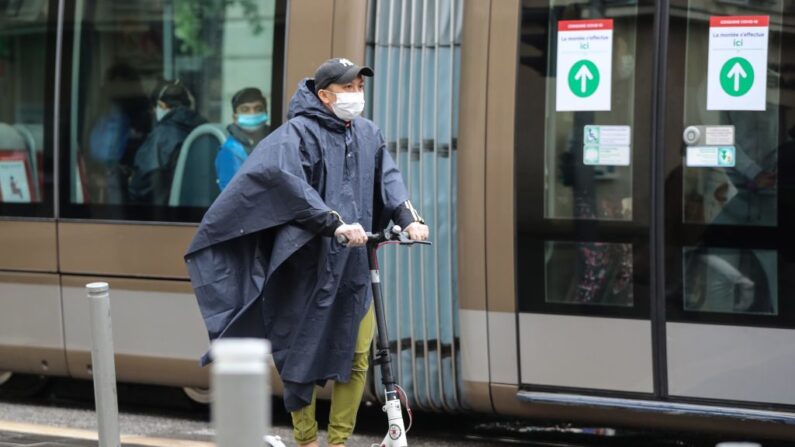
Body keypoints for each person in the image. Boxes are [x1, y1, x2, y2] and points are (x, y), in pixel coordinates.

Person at [184, 58, 429, 447]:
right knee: (300, 354)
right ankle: (306, 439)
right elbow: (289, 187)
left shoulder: (368, 134)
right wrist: (332, 222)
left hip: (354, 265)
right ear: (324, 94)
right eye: (348, 88)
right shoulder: (295, 135)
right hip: (305, 265)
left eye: (360, 88)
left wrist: (408, 217)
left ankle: (338, 442)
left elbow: (389, 181)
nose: (356, 96)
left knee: (357, 354)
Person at [128, 79, 206, 205]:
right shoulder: (202, 128)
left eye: (155, 107)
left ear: (161, 105)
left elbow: (143, 183)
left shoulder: (163, 135)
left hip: (164, 212)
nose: (154, 112)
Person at [215, 87, 271, 190]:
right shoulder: (229, 151)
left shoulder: (276, 141)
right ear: (235, 117)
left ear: (266, 113)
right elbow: (231, 197)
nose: (252, 114)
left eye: (258, 109)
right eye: (245, 109)